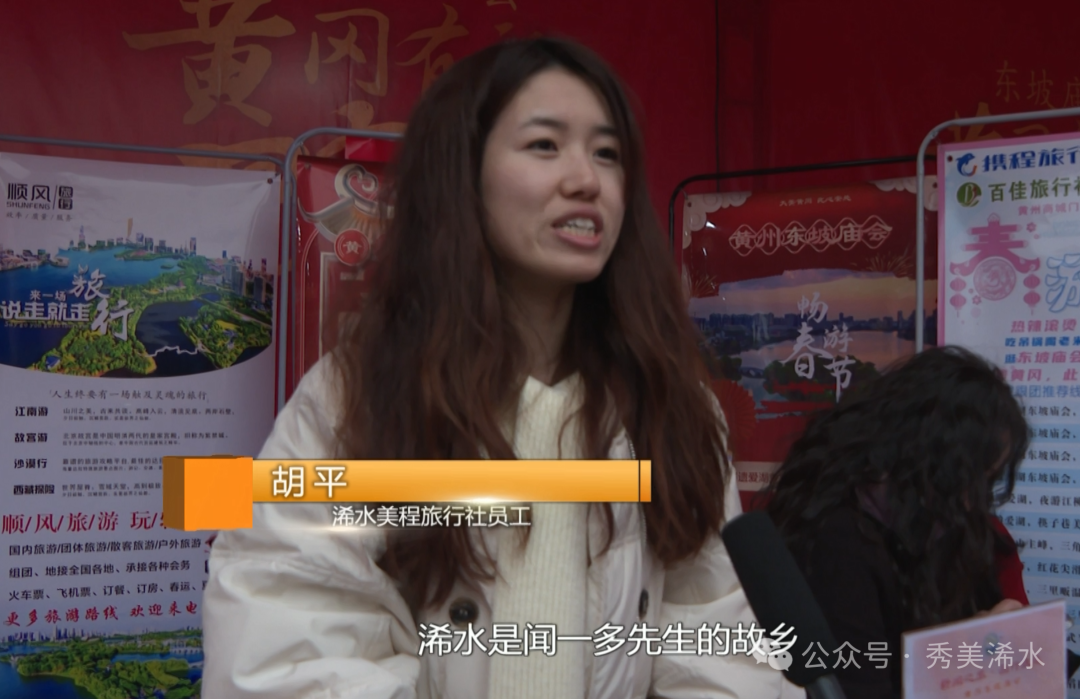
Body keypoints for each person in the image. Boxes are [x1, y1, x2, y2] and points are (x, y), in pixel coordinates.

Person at [203, 37, 802, 699]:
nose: (586, 179)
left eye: (607, 153)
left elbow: (719, 649)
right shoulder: (354, 400)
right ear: (462, 174)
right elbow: (284, 653)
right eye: (545, 145)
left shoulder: (672, 405)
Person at [765, 345, 1031, 699]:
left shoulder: (956, 526)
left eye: (988, 479)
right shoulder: (836, 540)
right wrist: (963, 664)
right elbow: (859, 688)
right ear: (922, 457)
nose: (973, 501)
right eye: (967, 478)